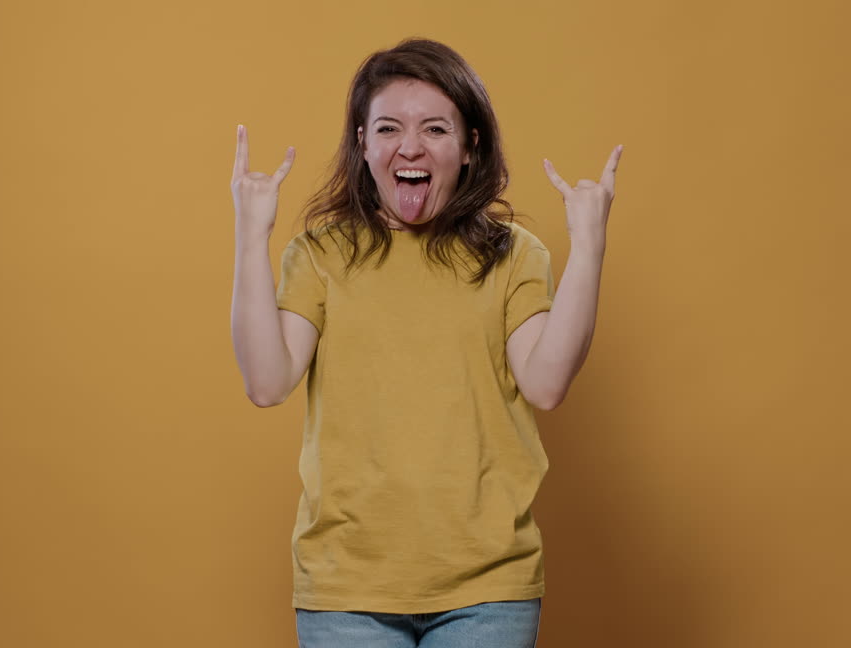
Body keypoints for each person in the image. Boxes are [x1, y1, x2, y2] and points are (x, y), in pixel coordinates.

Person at [229, 37, 621, 648]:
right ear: (363, 144)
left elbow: (546, 384)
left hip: (489, 589)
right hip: (345, 589)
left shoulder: (513, 256)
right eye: (389, 128)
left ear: (469, 148)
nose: (410, 146)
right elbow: (266, 381)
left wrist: (590, 244)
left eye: (435, 129)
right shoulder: (321, 255)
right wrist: (251, 234)